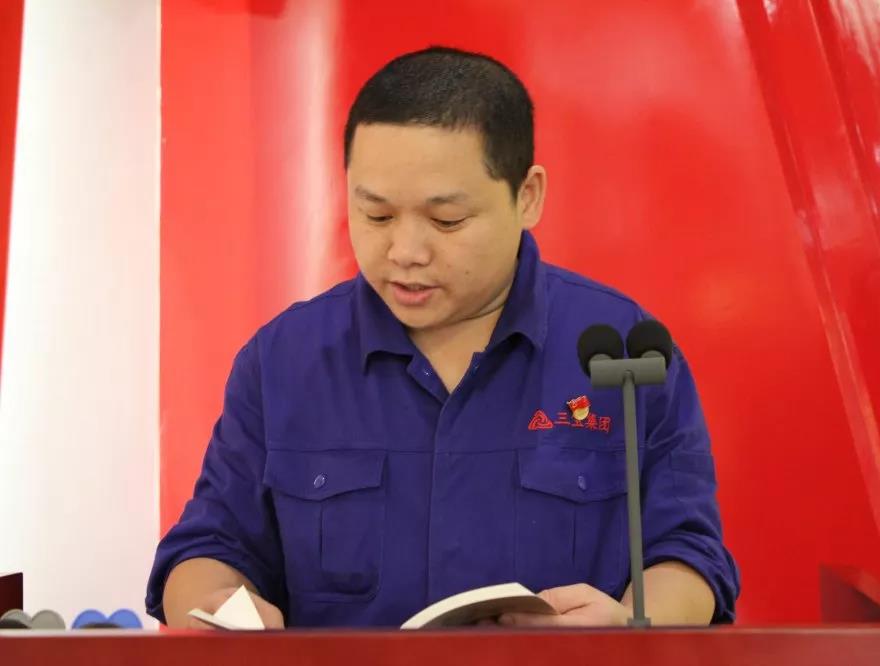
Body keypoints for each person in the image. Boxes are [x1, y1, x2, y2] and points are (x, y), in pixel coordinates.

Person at [146, 46, 739, 629]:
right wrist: (217, 609)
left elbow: (687, 552)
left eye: (446, 220)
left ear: (527, 196)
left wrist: (629, 624)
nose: (406, 251)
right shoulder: (284, 360)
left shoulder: (622, 351)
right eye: (376, 215)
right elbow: (209, 548)